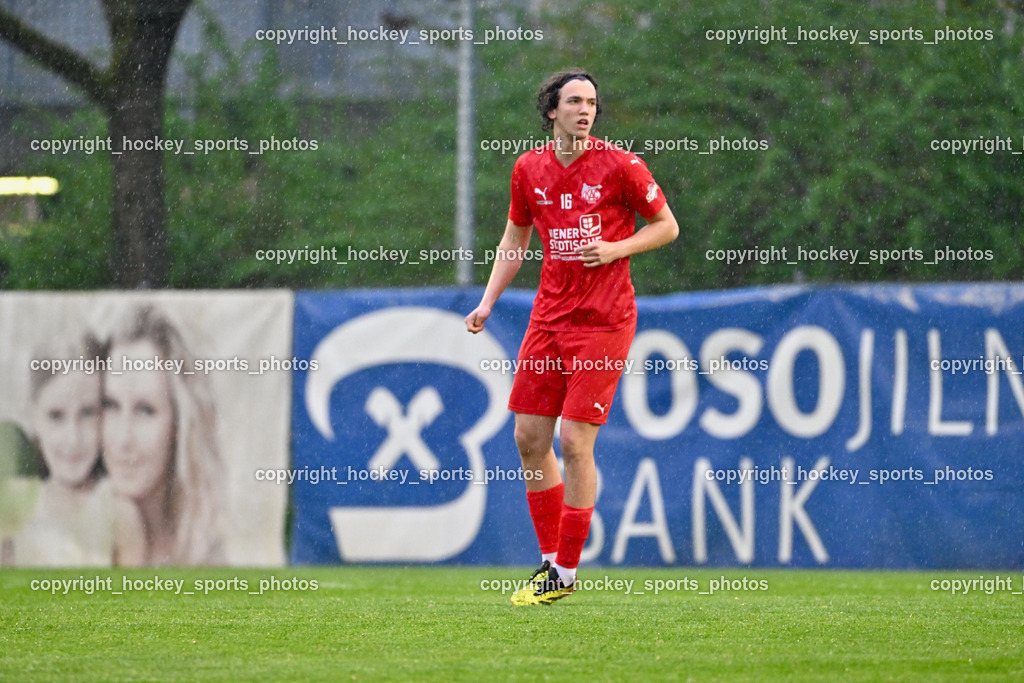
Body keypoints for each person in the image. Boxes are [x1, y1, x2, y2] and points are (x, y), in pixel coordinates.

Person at [465, 68, 679, 605]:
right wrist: (488, 301)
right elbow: (514, 240)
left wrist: (616, 249)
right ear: (551, 111)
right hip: (548, 319)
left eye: (592, 102)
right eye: (575, 101)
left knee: (574, 442)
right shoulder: (528, 168)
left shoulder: (621, 165)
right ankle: (549, 563)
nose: (586, 110)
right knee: (528, 439)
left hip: (604, 321)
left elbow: (667, 226)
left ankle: (565, 571)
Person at [103, 304, 225, 565]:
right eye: (111, 406)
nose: (123, 439)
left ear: (181, 425)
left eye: (145, 410)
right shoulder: (63, 542)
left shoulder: (206, 553)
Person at [13, 334, 145, 567]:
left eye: (87, 413)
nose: (73, 439)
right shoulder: (17, 512)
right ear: (34, 414)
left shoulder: (118, 514)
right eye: (56, 416)